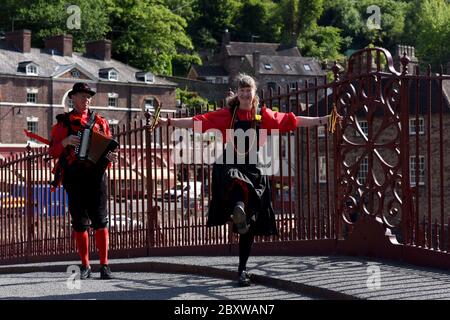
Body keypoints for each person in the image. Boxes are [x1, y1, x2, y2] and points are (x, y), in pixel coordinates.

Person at [158, 74, 341, 286]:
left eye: (249, 90)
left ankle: (242, 266)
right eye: (242, 90)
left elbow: (293, 120)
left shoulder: (263, 115)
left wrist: (323, 120)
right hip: (229, 162)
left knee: (250, 223)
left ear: (255, 94)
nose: (245, 94)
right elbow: (198, 121)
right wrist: (168, 121)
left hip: (253, 166)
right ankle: (238, 209)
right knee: (236, 182)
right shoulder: (228, 114)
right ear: (238, 93)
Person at [49, 82, 118, 280]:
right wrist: (64, 142)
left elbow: (108, 148)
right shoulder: (63, 123)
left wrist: (111, 157)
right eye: (82, 96)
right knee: (79, 222)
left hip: (97, 176)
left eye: (88, 97)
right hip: (74, 176)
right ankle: (85, 265)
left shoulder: (101, 122)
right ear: (73, 98)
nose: (86, 100)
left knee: (101, 220)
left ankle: (105, 266)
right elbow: (52, 151)